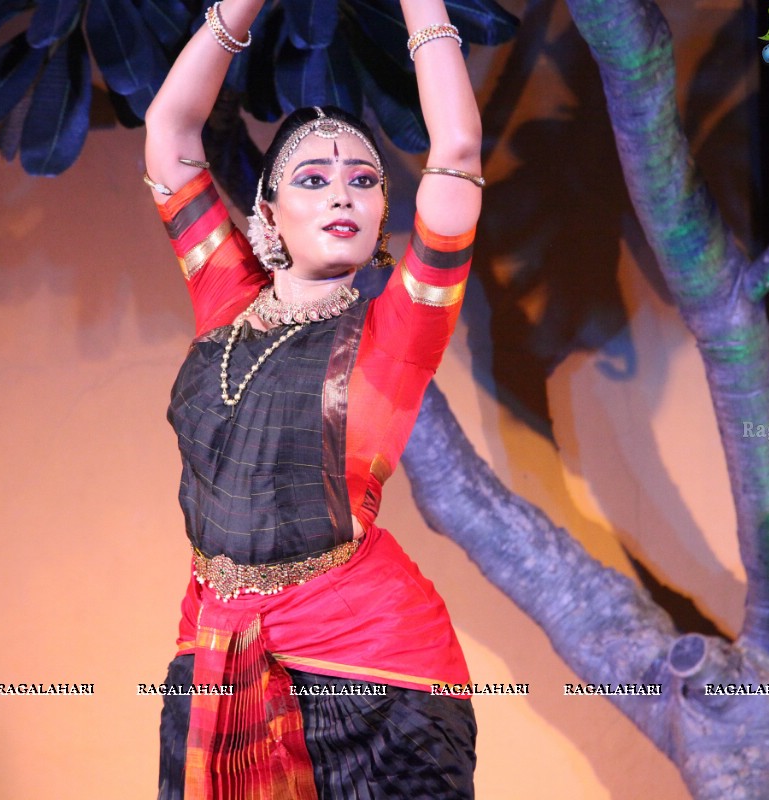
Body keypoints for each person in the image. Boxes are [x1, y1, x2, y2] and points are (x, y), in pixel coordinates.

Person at [143, 0, 483, 796]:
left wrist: (423, 6)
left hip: (374, 676)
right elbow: (169, 133)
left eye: (364, 182)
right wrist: (237, 8)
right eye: (314, 178)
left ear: (382, 214)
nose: (344, 196)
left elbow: (459, 150)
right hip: (215, 654)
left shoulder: (398, 331)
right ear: (267, 216)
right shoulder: (225, 300)